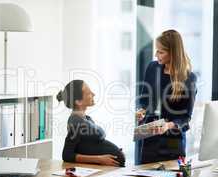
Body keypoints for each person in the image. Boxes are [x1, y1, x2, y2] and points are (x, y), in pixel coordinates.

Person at [135, 29, 197, 164]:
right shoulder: (152, 67)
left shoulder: (189, 79)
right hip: (150, 136)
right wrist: (142, 110)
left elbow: (185, 118)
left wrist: (168, 125)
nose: (156, 54)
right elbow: (144, 99)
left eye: (161, 52)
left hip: (173, 141)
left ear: (173, 53)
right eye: (157, 50)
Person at [57, 80, 125, 167]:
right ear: (78, 101)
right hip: (97, 169)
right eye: (89, 93)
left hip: (107, 169)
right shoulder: (76, 122)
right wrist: (100, 159)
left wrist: (117, 151)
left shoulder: (84, 118)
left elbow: (88, 145)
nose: (93, 94)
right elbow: (67, 155)